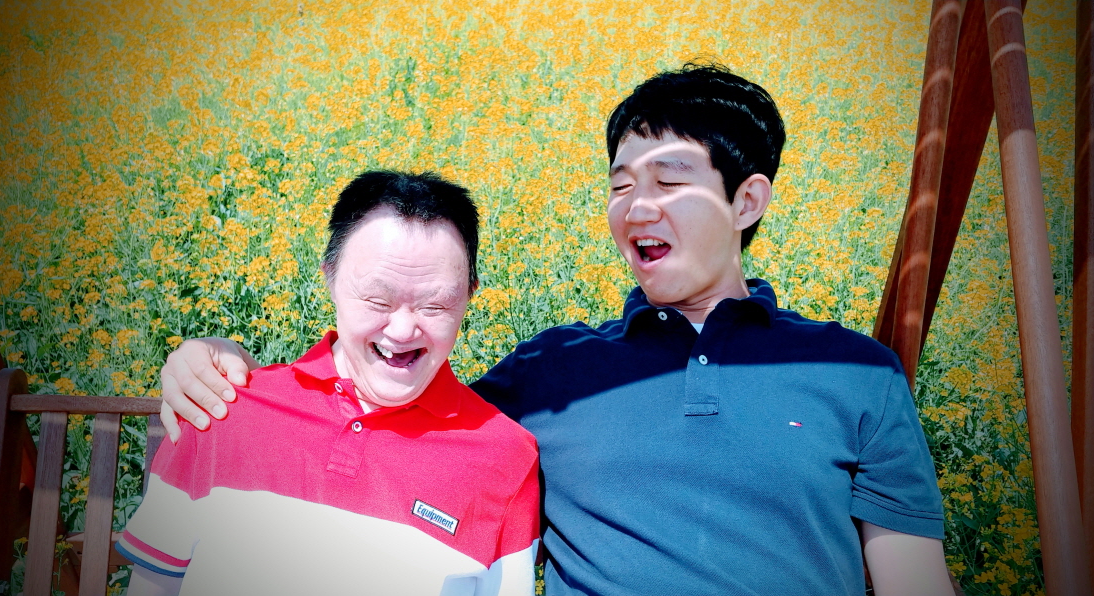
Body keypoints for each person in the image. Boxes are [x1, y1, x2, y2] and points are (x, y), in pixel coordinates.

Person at [158, 63, 955, 595]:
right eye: (620, 185)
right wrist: (217, 360)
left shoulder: (856, 373)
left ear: (746, 201)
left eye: (668, 181)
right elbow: (394, 402)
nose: (636, 207)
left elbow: (911, 578)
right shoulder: (553, 370)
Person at [117, 171, 540, 596]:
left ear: (469, 295)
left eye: (435, 306)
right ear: (329, 278)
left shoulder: (504, 458)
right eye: (378, 300)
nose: (402, 331)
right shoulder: (218, 403)